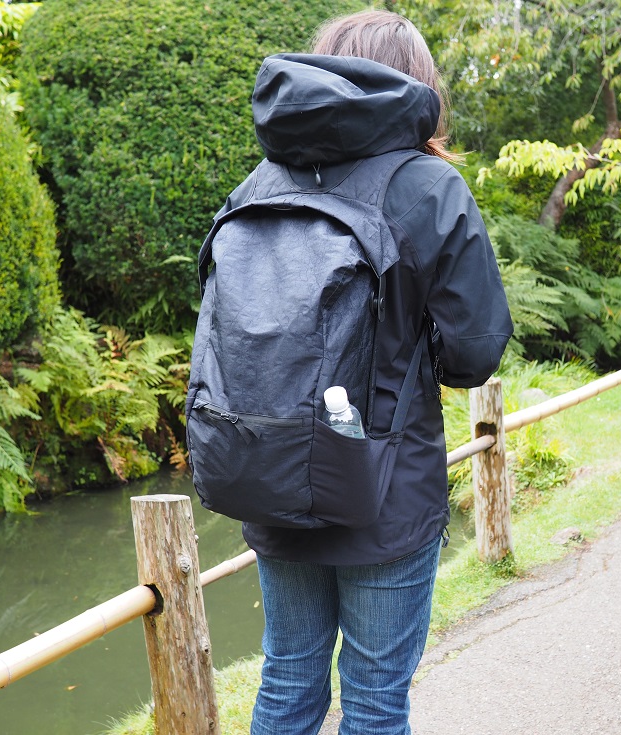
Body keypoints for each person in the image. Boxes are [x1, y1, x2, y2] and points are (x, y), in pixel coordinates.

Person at [223, 10, 513, 735]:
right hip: (388, 486)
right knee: (378, 699)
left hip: (273, 473)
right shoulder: (427, 186)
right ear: (417, 84)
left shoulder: (259, 182)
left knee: (287, 679)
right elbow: (474, 353)